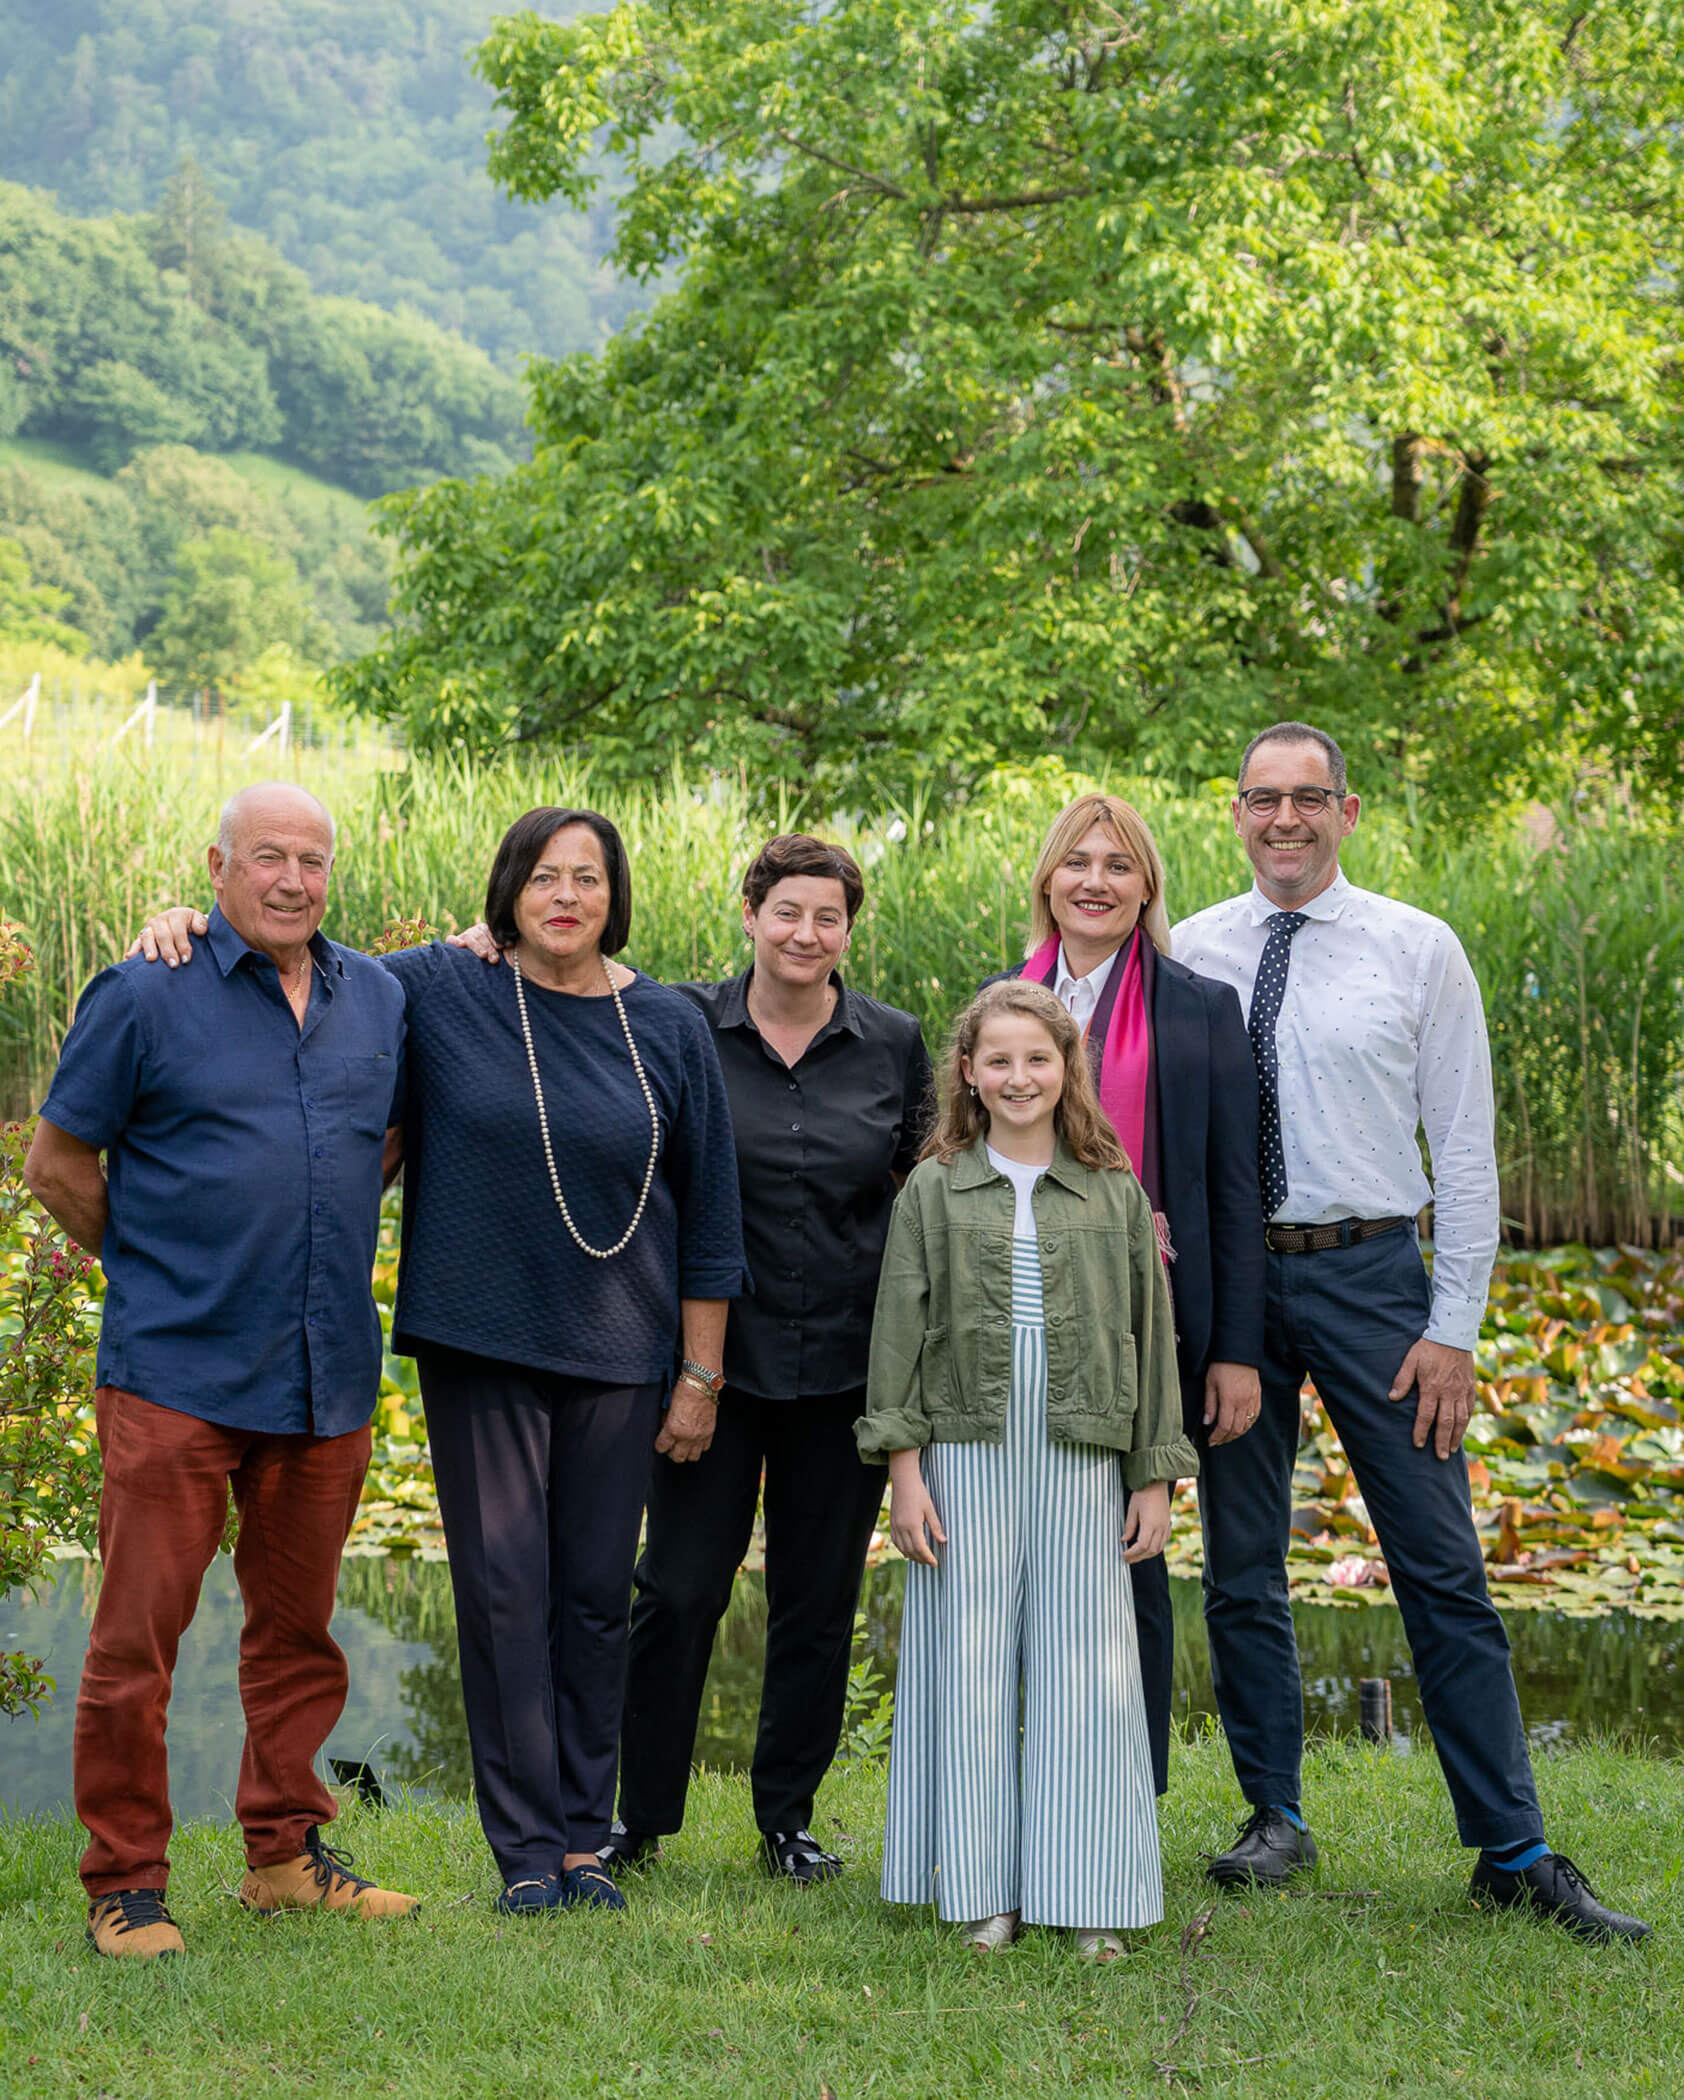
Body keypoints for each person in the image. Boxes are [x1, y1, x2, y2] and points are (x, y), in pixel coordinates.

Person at [132, 805, 748, 1919]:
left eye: (589, 880)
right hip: (480, 1340)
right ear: (507, 890)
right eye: (545, 878)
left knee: (600, 1599)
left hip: (625, 1349)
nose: (566, 898)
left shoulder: (667, 1022)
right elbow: (293, 951)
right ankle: (523, 1851)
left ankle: (584, 1841)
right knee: (506, 1594)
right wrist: (183, 920)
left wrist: (700, 1376)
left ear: (617, 896)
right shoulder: (439, 989)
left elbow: (710, 1216)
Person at [1173, 721, 1650, 1943]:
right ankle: (1272, 1816)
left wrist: (1453, 1328)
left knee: (1441, 1566)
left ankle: (1512, 1847)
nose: (1285, 819)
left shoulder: (1414, 948)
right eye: (1261, 799)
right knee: (1238, 1562)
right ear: (1234, 812)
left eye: (1308, 798)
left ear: (1346, 808)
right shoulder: (1189, 950)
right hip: (1232, 1285)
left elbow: (1471, 1156)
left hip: (1374, 1278)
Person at [447, 834, 933, 1883]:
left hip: (845, 1366)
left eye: (829, 917)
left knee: (817, 1599)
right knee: (674, 1593)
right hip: (704, 1367)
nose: (806, 933)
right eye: (787, 911)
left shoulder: (892, 1044)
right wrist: (481, 939)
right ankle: (640, 1816)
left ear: (850, 930)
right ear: (750, 915)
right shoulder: (670, 1022)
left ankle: (786, 1820)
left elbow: (925, 1193)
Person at [26, 783, 417, 1962]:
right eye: (267, 858)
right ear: (217, 866)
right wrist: (156, 1271)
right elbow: (56, 1162)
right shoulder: (147, 989)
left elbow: (386, 1143)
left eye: (311, 860)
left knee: (300, 1636)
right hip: (177, 1376)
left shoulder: (381, 996)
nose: (292, 880)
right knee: (136, 1645)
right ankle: (126, 1885)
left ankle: (285, 1857)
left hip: (324, 1376)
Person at [858, 980, 1196, 1958]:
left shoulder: (1110, 1186)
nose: (1017, 1077)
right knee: (965, 1660)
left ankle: (1087, 1892)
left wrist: (1152, 1475)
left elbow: (1149, 1333)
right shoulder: (936, 1185)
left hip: (1083, 1445)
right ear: (968, 1072)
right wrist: (904, 1471)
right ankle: (980, 1889)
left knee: (1084, 1666)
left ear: (1066, 1069)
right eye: (997, 1061)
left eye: (1036, 1059)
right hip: (964, 1442)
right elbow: (899, 1329)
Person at [985, 793, 1264, 1794]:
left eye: (1116, 864)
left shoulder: (1197, 1009)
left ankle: (1124, 1794)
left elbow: (1233, 1189)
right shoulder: (1002, 1001)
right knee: (1017, 1556)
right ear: (1047, 882)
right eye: (1075, 862)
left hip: (1146, 1326)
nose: (1093, 881)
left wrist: (1233, 1349)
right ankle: (1022, 1780)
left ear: (1144, 886)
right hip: (1013, 1312)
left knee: (1127, 1553)